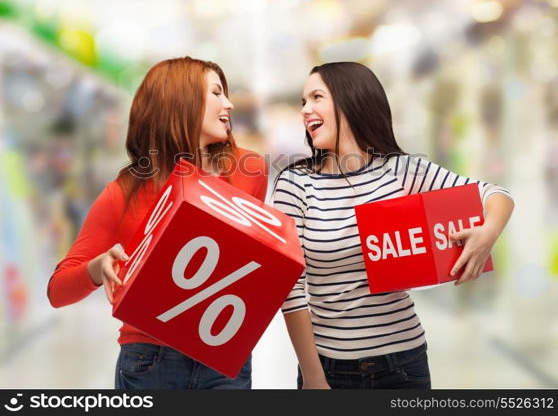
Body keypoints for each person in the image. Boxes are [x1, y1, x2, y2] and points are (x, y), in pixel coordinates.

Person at [272, 62, 514, 389]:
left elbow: (494, 193)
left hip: (404, 364)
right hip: (330, 370)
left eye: (317, 97)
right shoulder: (296, 184)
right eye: (303, 101)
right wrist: (313, 375)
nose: (306, 110)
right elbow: (291, 288)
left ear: (351, 100)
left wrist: (489, 232)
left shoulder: (400, 170)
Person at [47, 56, 267, 389]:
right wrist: (98, 267)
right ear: (182, 101)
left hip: (222, 357)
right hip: (149, 361)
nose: (230, 104)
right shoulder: (125, 192)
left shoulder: (249, 170)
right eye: (217, 93)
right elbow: (57, 290)